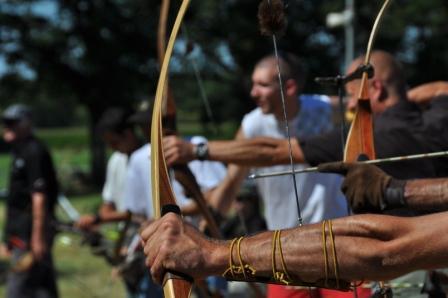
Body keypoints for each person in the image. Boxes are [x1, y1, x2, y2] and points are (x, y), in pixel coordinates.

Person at [2, 104, 58, 298]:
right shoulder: (19, 150)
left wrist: (37, 237)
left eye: (13, 123)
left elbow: (39, 196)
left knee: (17, 288)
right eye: (5, 123)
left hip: (30, 233)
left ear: (27, 124)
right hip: (21, 232)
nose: (7, 127)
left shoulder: (34, 150)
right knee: (42, 286)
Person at [76, 108, 141, 230]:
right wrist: (95, 223)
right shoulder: (116, 160)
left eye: (115, 142)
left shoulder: (149, 160)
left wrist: (98, 218)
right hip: (126, 234)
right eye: (109, 144)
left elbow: (138, 211)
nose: (112, 148)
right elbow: (109, 202)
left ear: (128, 134)